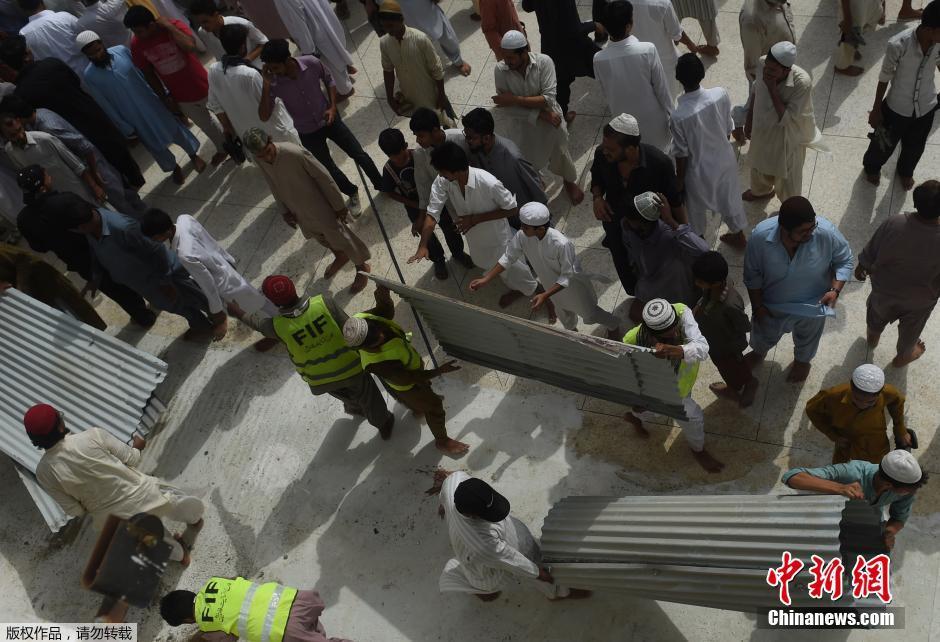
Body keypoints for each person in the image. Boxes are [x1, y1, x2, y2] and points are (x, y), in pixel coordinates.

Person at [24, 403, 205, 564]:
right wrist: (138, 445)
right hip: (144, 494)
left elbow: (75, 510)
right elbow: (132, 459)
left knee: (154, 540)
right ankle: (195, 521)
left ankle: (182, 556)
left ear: (35, 441)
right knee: (173, 502)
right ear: (60, 423)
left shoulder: (43, 473)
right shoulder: (93, 436)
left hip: (114, 520)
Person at [53, 193, 215, 339]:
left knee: (195, 298)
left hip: (165, 278)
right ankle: (201, 324)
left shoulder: (123, 228)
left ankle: (217, 318)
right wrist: (95, 277)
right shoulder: (91, 228)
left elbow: (156, 251)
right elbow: (96, 251)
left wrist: (165, 283)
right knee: (176, 307)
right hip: (144, 283)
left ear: (80, 227)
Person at [258, 273, 395, 437]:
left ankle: (355, 407)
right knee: (369, 397)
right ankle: (384, 423)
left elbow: (258, 324)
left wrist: (236, 309)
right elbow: (350, 329)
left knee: (343, 394)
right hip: (351, 368)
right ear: (294, 288)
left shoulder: (276, 326)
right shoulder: (323, 303)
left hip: (319, 379)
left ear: (273, 303)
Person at [0, 35, 145, 188]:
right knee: (119, 154)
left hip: (72, 136)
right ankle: (136, 180)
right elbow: (75, 81)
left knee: (107, 173)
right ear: (26, 57)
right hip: (92, 118)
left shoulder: (21, 93)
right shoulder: (51, 64)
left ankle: (127, 191)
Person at [16, 168, 154, 325]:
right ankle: (157, 298)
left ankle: (143, 316)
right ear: (42, 187)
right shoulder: (65, 200)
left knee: (115, 290)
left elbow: (39, 247)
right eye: (46, 175)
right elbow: (92, 217)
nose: (49, 175)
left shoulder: (23, 220)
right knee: (134, 273)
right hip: (103, 249)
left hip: (80, 262)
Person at [342, 286, 470, 456]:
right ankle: (442, 441)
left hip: (405, 373)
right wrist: (439, 370)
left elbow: (384, 312)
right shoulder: (378, 363)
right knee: (434, 406)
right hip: (408, 384)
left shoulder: (363, 321)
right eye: (374, 341)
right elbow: (409, 378)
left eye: (376, 330)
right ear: (364, 348)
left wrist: (382, 295)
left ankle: (417, 408)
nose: (380, 336)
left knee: (410, 396)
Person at [260, 39, 383, 214]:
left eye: (276, 68)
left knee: (358, 154)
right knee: (328, 168)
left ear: (287, 60)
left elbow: (329, 80)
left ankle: (381, 184)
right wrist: (265, 85)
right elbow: (264, 116)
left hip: (330, 120)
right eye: (270, 69)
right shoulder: (273, 83)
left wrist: (333, 106)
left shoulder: (311, 63)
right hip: (308, 132)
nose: (273, 72)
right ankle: (351, 192)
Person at [411, 141, 540, 308]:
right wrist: (423, 244)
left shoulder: (488, 183)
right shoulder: (444, 181)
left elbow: (512, 209)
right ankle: (518, 288)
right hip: (476, 238)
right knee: (495, 267)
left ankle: (538, 291)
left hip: (498, 239)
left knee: (517, 270)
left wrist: (474, 219)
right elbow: (433, 212)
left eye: (442, 172)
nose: (440, 176)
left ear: (454, 170)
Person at [243, 129, 370, 294]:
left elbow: (324, 177)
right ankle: (340, 256)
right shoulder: (259, 159)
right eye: (261, 156)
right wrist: (284, 210)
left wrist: (338, 205)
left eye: (267, 151)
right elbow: (272, 183)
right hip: (297, 207)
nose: (267, 158)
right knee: (319, 236)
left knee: (342, 236)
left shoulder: (294, 153)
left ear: (271, 140)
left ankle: (362, 267)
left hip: (319, 204)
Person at [432, 469, 591, 600]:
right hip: (492, 561)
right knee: (532, 568)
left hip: (478, 551)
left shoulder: (455, 480)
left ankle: (478, 587)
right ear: (472, 514)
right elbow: (514, 562)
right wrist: (540, 574)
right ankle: (557, 594)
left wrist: (444, 505)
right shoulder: (483, 544)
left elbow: (447, 480)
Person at [743, 196, 854, 383]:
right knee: (763, 334)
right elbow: (752, 274)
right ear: (784, 229)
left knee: (808, 339)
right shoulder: (759, 238)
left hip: (813, 304)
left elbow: (845, 260)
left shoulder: (826, 232)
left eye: (812, 227)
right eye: (803, 231)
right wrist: (757, 306)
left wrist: (835, 290)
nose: (810, 233)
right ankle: (758, 353)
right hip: (772, 304)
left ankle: (802, 362)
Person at [471, 202, 621, 337]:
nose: (521, 229)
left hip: (572, 289)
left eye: (525, 227)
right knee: (563, 314)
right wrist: (486, 278)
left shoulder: (561, 244)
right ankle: (573, 334)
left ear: (541, 228)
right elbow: (508, 257)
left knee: (591, 313)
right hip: (551, 288)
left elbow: (567, 276)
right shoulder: (523, 236)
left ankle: (614, 326)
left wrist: (544, 295)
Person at [140, 208, 280, 351]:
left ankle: (278, 333)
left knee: (252, 308)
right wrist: (227, 258)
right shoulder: (185, 219)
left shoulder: (184, 254)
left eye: (154, 237)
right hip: (224, 265)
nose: (153, 241)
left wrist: (216, 310)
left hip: (225, 286)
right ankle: (277, 326)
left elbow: (207, 283)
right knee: (255, 301)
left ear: (166, 232)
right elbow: (209, 240)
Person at [77, 31, 205, 186]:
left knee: (174, 129)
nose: (97, 56)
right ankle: (173, 167)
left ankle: (193, 155)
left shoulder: (121, 51)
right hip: (131, 115)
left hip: (151, 101)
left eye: (98, 50)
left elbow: (145, 72)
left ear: (102, 43)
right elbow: (105, 104)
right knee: (153, 144)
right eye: (91, 55)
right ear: (85, 55)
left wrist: (163, 93)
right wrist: (124, 126)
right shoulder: (90, 75)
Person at [1, 94, 145, 216]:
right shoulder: (40, 114)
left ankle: (144, 228)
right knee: (123, 197)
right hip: (88, 168)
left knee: (120, 202)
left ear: (19, 119)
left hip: (93, 167)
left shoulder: (47, 129)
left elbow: (84, 147)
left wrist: (95, 175)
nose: (18, 135)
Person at [589, 114, 684, 296]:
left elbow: (675, 201)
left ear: (631, 149)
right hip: (616, 225)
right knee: (624, 267)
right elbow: (596, 177)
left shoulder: (660, 164)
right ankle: (637, 295)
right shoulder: (603, 154)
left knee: (653, 269)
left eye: (611, 149)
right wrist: (597, 198)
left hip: (649, 234)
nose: (605, 151)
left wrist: (683, 231)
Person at [623, 299, 722, 472]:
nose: (676, 333)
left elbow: (702, 348)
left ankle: (635, 417)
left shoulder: (681, 312)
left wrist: (676, 350)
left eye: (676, 327)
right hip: (661, 390)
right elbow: (629, 371)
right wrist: (635, 396)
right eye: (668, 334)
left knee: (652, 411)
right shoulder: (632, 340)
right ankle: (698, 450)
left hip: (684, 383)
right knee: (693, 418)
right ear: (650, 332)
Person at [124, 5, 229, 167]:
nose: (136, 35)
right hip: (181, 96)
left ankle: (238, 140)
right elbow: (149, 74)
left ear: (151, 25)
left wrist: (169, 27)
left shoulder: (173, 26)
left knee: (226, 116)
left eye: (139, 31)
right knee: (206, 124)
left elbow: (190, 46)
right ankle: (223, 148)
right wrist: (165, 97)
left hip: (204, 85)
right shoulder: (137, 45)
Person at [856, 180, 940, 367]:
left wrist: (862, 266)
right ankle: (903, 356)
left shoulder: (893, 222)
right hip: (919, 301)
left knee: (875, 318)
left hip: (884, 292)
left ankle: (872, 339)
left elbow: (871, 251)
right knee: (911, 333)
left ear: (915, 203)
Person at [494, 30, 584, 205]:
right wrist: (541, 114)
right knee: (527, 159)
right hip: (524, 125)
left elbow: (547, 98)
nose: (507, 62)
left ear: (524, 51)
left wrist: (514, 99)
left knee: (561, 151)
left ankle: (568, 182)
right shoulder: (500, 70)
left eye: (511, 58)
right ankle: (537, 180)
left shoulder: (544, 62)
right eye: (504, 57)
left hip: (553, 120)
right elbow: (508, 109)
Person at [671, 53, 748, 248]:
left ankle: (699, 244)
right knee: (730, 199)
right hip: (724, 160)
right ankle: (739, 236)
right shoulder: (720, 94)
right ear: (702, 73)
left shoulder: (678, 116)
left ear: (678, 79)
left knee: (695, 210)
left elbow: (681, 153)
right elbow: (728, 128)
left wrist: (679, 180)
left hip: (697, 171)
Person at [861, 3, 940, 190]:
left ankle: (906, 171)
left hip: (925, 107)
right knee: (882, 144)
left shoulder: (938, 44)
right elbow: (884, 78)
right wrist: (876, 109)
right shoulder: (898, 44)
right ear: (930, 30)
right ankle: (872, 167)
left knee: (915, 146)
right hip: (896, 107)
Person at [782, 450, 926, 550]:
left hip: (858, 525)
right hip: (823, 520)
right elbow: (792, 476)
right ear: (888, 484)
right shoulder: (852, 471)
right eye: (906, 490)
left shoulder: (906, 490)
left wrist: (889, 532)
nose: (910, 493)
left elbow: (899, 517)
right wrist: (839, 488)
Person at [743, 41, 824, 203]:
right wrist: (749, 118)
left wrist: (772, 87)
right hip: (763, 130)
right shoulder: (762, 63)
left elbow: (787, 119)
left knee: (788, 181)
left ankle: (789, 208)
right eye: (767, 67)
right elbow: (756, 90)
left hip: (787, 138)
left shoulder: (802, 83)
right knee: (759, 165)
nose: (766, 72)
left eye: (772, 70)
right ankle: (760, 192)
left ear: (787, 70)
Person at [593, 0, 673, 153]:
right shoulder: (647, 50)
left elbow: (606, 93)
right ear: (628, 25)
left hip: (623, 125)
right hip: (654, 121)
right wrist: (672, 114)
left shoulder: (598, 58)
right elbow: (661, 88)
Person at [160, 579, 351, 642]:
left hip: (285, 628)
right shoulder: (214, 581)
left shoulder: (207, 624)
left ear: (187, 620)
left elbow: (226, 638)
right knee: (311, 629)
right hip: (295, 599)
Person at [208, 24, 300, 148]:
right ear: (242, 47)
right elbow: (271, 105)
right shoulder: (250, 75)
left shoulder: (213, 70)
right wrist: (268, 83)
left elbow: (215, 105)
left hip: (250, 139)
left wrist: (228, 129)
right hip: (276, 136)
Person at [621, 191, 708, 323]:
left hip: (675, 288)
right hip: (648, 284)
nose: (625, 222)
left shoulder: (669, 235)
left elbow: (703, 250)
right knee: (636, 316)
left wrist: (671, 221)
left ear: (645, 223)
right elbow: (630, 248)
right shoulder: (628, 227)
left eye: (630, 220)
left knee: (675, 324)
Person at [378, 127, 450, 280]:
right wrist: (413, 204)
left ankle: (457, 252)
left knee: (448, 227)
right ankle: (438, 260)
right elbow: (390, 192)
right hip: (414, 207)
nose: (398, 160)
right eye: (393, 157)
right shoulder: (389, 170)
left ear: (405, 146)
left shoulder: (421, 156)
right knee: (427, 236)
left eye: (401, 155)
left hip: (435, 199)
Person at [409, 108, 475, 270]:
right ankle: (458, 254)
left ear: (436, 130)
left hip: (473, 199)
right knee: (450, 231)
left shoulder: (461, 139)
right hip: (446, 205)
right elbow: (423, 186)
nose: (418, 141)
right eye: (416, 136)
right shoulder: (420, 154)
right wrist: (421, 215)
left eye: (421, 135)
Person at [806, 364, 910, 465]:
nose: (862, 405)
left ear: (881, 391)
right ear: (851, 385)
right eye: (856, 399)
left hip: (875, 436)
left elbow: (897, 402)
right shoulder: (833, 395)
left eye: (870, 402)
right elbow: (812, 410)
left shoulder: (888, 392)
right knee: (842, 470)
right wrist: (833, 434)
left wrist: (900, 429)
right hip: (846, 438)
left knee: (879, 466)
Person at [691, 251, 758, 407]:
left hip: (727, 346)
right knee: (722, 366)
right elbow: (705, 301)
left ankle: (747, 384)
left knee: (733, 367)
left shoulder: (730, 305)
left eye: (700, 282)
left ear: (714, 283)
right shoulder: (716, 285)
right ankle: (734, 384)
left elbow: (744, 325)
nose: (696, 283)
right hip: (714, 341)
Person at [461, 107, 547, 225]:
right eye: (466, 136)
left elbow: (537, 190)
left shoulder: (513, 157)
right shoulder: (475, 151)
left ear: (486, 138)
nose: (467, 141)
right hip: (502, 220)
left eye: (471, 138)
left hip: (526, 219)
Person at [521, 0, 600, 123]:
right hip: (574, 45)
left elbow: (527, 6)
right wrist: (594, 25)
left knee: (560, 83)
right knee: (602, 67)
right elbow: (575, 30)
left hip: (550, 44)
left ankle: (561, 116)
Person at [1, 113, 106, 205]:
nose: (19, 136)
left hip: (81, 193)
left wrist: (95, 187)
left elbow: (77, 165)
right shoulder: (10, 151)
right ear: (4, 136)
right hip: (58, 202)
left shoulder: (44, 139)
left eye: (19, 130)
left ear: (20, 122)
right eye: (13, 135)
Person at [377, 2, 454, 126]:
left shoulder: (420, 39)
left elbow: (437, 70)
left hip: (431, 94)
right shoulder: (385, 43)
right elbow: (388, 70)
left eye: (391, 25)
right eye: (384, 27)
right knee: (426, 129)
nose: (388, 30)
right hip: (410, 96)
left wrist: (441, 96)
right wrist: (390, 98)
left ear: (401, 20)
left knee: (447, 126)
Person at [0, 243, 106, 329]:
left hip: (46, 286)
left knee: (78, 321)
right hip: (28, 301)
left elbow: (24, 258)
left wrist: (21, 288)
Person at [271, 0, 357, 95]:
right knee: (334, 47)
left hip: (314, 31)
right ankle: (345, 67)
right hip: (321, 16)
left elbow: (298, 23)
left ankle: (346, 90)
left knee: (329, 60)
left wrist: (308, 51)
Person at [371, 0, 471, 76]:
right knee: (417, 47)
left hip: (426, 9)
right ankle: (427, 70)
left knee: (447, 37)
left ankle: (458, 60)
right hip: (404, 19)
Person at [627, 0, 698, 99]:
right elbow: (677, 34)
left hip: (635, 60)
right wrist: (691, 45)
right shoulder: (663, 3)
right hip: (664, 62)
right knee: (668, 96)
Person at [189, 0, 267, 70]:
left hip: (257, 68)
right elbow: (218, 56)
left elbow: (264, 42)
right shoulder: (202, 32)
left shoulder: (242, 24)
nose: (203, 26)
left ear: (216, 15)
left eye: (205, 21)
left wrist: (247, 59)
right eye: (199, 23)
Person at [17, 0, 87, 76]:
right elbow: (86, 36)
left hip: (62, 81)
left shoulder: (23, 34)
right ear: (42, 2)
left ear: (23, 10)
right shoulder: (64, 17)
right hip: (86, 69)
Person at [738, 0, 795, 82]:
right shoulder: (752, 22)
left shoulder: (778, 1)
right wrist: (773, 92)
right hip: (772, 84)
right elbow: (754, 69)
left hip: (786, 70)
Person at [833, 0, 884, 76]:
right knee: (851, 30)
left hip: (868, 5)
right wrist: (847, 19)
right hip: (855, 5)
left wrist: (883, 10)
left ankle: (851, 48)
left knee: (860, 26)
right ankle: (842, 67)